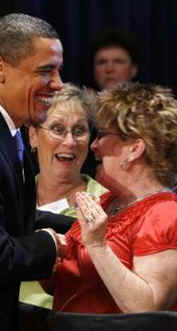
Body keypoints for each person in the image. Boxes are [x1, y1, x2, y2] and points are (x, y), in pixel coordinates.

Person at [0, 12, 69, 331]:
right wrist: (52, 244)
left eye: (59, 71)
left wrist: (82, 229)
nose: (58, 84)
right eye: (45, 71)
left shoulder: (9, 130)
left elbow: (13, 215)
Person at [41, 82, 177, 314]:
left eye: (102, 135)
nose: (93, 145)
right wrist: (46, 257)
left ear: (135, 148)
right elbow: (73, 287)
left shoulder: (165, 214)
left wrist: (97, 245)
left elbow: (146, 309)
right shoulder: (106, 202)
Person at [20, 83, 107, 308]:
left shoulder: (107, 204)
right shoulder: (10, 194)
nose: (69, 142)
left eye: (79, 131)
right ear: (33, 136)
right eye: (58, 129)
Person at [81, 29, 142, 179]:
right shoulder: (80, 109)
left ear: (133, 69)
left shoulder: (148, 111)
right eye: (102, 62)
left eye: (118, 62)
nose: (109, 69)